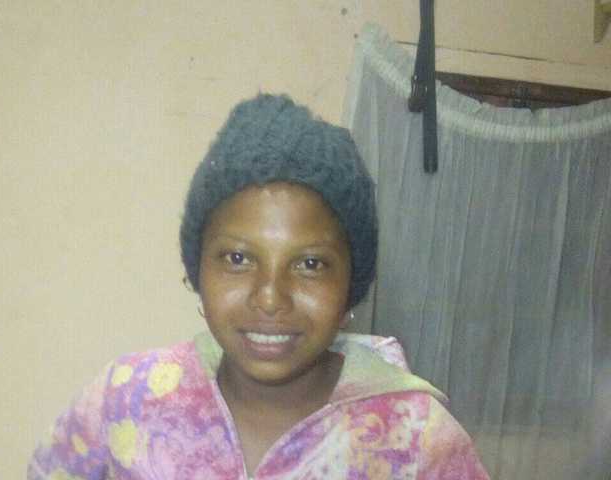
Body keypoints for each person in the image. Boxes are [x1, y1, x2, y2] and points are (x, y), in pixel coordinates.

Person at [28, 94, 490, 479]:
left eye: (310, 264)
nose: (270, 297)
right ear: (197, 269)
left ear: (351, 285)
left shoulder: (418, 440)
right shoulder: (127, 399)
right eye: (238, 258)